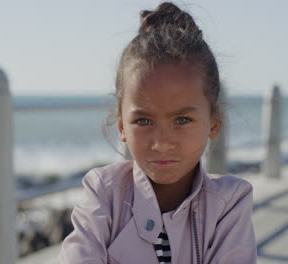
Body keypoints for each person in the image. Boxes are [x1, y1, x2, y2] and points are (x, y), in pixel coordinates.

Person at [59, 2, 256, 263]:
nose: (162, 143)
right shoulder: (104, 193)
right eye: (143, 121)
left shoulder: (228, 204)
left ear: (214, 123)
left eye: (183, 119)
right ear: (122, 127)